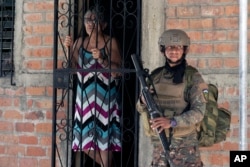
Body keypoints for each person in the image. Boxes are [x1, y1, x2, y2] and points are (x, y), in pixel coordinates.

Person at [136, 29, 208, 167]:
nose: (174, 51)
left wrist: (172, 122)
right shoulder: (155, 76)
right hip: (160, 146)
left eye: (178, 47)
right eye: (170, 47)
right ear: (163, 50)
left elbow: (199, 112)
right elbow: (140, 108)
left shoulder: (193, 77)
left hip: (185, 147)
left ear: (184, 50)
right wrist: (142, 101)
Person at [64, 8, 122, 167]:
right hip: (84, 99)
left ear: (103, 24)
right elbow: (74, 69)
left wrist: (102, 59)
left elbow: (117, 72)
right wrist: (68, 49)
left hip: (106, 98)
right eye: (87, 20)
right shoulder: (79, 42)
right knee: (82, 142)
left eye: (94, 20)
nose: (90, 23)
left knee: (105, 139)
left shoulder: (111, 42)